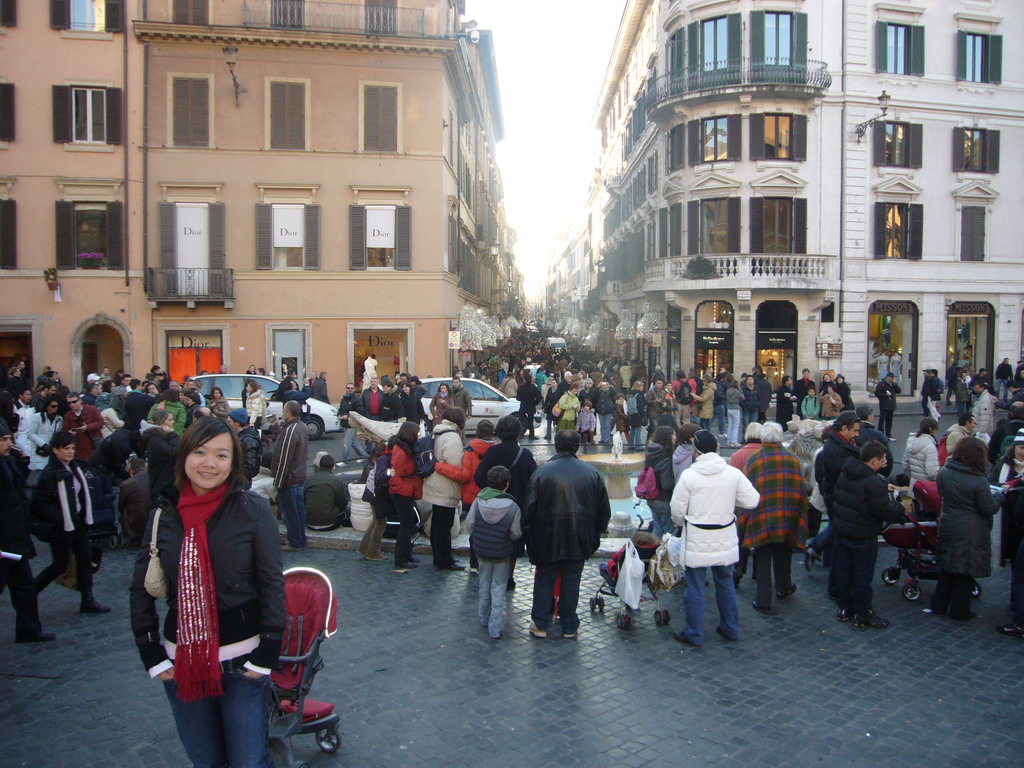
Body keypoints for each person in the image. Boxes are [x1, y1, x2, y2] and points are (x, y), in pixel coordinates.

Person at [129, 416, 285, 768]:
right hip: (181, 663)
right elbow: (141, 588)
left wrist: (267, 655)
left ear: (234, 463)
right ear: (184, 455)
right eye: (200, 452)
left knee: (249, 761)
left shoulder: (252, 510)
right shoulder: (164, 513)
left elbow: (272, 582)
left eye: (221, 455)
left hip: (243, 665)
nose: (210, 464)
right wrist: (150, 653)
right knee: (206, 761)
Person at [670, 431, 760, 646]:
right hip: (724, 536)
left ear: (696, 451)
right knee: (725, 584)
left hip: (697, 537)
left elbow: (676, 510)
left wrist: (682, 520)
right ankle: (730, 628)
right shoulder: (732, 474)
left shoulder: (690, 476)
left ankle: (694, 633)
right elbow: (752, 500)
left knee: (695, 587)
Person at [523, 430, 610, 639]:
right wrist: (593, 535)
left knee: (545, 579)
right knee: (572, 580)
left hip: (547, 537)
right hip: (579, 537)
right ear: (577, 446)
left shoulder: (542, 473)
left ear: (556, 445)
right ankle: (569, 624)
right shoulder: (592, 473)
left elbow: (528, 512)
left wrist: (530, 537)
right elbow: (603, 512)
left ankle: (541, 623)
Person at [30, 431, 111, 613]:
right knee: (60, 564)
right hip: (62, 527)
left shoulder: (74, 468)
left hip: (78, 523)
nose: (70, 452)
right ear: (55, 450)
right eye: (66, 448)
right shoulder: (49, 473)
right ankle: (31, 591)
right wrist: (62, 517)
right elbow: (38, 504)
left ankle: (87, 599)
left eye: (72, 448)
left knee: (85, 559)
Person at [829, 440, 903, 628]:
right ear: (874, 461)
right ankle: (863, 613)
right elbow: (883, 511)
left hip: (842, 531)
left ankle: (844, 608)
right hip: (862, 536)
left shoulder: (847, 473)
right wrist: (898, 507)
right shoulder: (873, 483)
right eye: (883, 459)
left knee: (844, 573)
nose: (885, 462)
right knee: (862, 576)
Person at [926, 437, 998, 622]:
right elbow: (987, 508)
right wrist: (1001, 498)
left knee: (948, 567)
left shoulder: (944, 473)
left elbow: (943, 495)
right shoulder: (978, 480)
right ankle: (960, 610)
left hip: (949, 522)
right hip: (970, 529)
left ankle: (939, 604)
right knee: (964, 571)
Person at [743, 423, 807, 613]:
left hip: (762, 516)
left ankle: (763, 600)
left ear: (763, 438)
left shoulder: (754, 459)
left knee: (763, 559)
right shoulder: (793, 460)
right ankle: (784, 586)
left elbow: (747, 490)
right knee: (783, 554)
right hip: (786, 516)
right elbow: (800, 490)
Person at [0, 424, 56, 643]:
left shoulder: (9, 462)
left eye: (9, 439)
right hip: (5, 543)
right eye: (3, 440)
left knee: (25, 587)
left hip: (16, 539)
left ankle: (28, 629)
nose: (8, 444)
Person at [474, 414, 537, 589]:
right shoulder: (525, 454)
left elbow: (479, 477)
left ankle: (488, 574)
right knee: (514, 543)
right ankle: (509, 576)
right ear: (518, 433)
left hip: (493, 504)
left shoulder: (493, 452)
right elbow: (535, 480)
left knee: (493, 539)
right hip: (517, 506)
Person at [466, 465, 522, 640]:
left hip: (482, 551)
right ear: (507, 484)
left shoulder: (478, 501)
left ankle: (483, 617)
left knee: (484, 583)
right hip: (501, 553)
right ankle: (495, 627)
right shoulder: (513, 507)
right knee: (499, 588)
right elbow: (516, 533)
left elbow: (469, 526)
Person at [435, 418, 497, 573]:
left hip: (471, 496)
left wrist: (440, 466)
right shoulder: (495, 451)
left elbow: (464, 476)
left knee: (474, 531)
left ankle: (474, 564)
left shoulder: (469, 451)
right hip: (491, 496)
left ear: (477, 433)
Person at [423, 407, 468, 571]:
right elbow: (454, 463)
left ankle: (438, 557)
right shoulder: (453, 437)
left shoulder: (439, 432)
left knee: (437, 523)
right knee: (444, 525)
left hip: (435, 483)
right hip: (445, 486)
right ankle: (444, 560)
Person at [273, 400, 310, 551]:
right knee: (299, 510)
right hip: (299, 475)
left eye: (284, 410)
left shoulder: (292, 430)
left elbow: (284, 458)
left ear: (288, 412)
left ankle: (295, 542)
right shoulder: (302, 427)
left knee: (290, 512)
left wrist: (278, 481)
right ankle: (301, 539)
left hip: (289, 478)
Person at [388, 421, 424, 569]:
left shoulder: (404, 448)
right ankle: (401, 559)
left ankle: (406, 554)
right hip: (402, 492)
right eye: (417, 432)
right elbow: (395, 478)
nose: (418, 435)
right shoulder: (402, 452)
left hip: (404, 491)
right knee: (406, 524)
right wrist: (409, 490)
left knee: (408, 523)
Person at [357, 444, 390, 561]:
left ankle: (364, 548)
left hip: (371, 491)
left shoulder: (381, 459)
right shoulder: (385, 459)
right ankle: (373, 552)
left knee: (376, 521)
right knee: (381, 523)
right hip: (375, 493)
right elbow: (381, 477)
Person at [643, 425, 676, 539]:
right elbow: (667, 484)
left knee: (657, 529)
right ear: (668, 438)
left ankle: (651, 552)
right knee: (669, 532)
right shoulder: (665, 458)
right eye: (673, 435)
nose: (675, 437)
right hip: (663, 498)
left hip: (651, 497)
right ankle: (663, 556)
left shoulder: (651, 452)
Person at [304, 453, 350, 532]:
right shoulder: (336, 480)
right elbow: (343, 503)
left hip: (309, 521)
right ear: (333, 467)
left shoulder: (309, 479)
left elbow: (304, 499)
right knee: (348, 509)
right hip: (329, 522)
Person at [118, 456, 152, 545]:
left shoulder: (126, 484)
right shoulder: (154, 479)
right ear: (145, 467)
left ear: (131, 470)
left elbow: (120, 507)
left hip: (136, 524)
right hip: (152, 518)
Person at [61, 392, 104, 461]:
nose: (72, 404)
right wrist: (69, 433)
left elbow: (100, 422)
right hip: (78, 448)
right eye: (69, 403)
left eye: (74, 402)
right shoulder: (67, 416)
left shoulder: (92, 410)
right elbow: (64, 430)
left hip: (93, 444)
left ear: (80, 401)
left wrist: (87, 427)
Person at [227, 409, 262, 490]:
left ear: (237, 423)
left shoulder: (247, 440)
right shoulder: (237, 436)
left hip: (240, 482)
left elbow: (250, 466)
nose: (227, 424)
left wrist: (236, 476)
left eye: (230, 421)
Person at [903, 417, 939, 490]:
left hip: (914, 486)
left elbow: (905, 465)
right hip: (927, 488)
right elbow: (932, 473)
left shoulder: (911, 442)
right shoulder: (930, 447)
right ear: (932, 430)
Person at [338, 382, 368, 462]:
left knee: (346, 442)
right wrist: (339, 414)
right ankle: (364, 456)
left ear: (354, 389)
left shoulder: (357, 400)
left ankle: (345, 460)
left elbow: (359, 412)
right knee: (353, 442)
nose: (350, 389)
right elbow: (341, 408)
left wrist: (347, 416)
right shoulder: (343, 399)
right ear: (346, 389)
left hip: (352, 424)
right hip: (345, 423)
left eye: (351, 388)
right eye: (348, 388)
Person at [874, 372, 900, 439]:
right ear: (888, 377)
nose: (893, 379)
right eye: (892, 378)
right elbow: (877, 393)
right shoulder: (882, 384)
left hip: (891, 405)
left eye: (893, 378)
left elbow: (899, 391)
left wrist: (895, 384)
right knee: (882, 420)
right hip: (884, 405)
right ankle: (880, 434)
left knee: (889, 421)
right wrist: (885, 395)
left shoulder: (893, 384)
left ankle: (888, 434)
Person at [516, 372, 541, 440]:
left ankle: (520, 435)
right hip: (531, 405)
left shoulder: (521, 388)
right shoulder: (533, 388)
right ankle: (531, 435)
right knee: (530, 421)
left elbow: (517, 398)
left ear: (525, 380)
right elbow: (538, 398)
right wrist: (535, 403)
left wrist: (522, 400)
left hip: (523, 405)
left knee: (521, 420)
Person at [725, 379, 743, 448]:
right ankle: (734, 441)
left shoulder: (728, 390)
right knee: (736, 426)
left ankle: (729, 441)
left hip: (729, 408)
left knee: (730, 425)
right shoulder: (737, 391)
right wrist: (740, 390)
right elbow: (742, 397)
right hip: (736, 408)